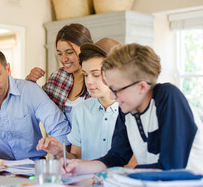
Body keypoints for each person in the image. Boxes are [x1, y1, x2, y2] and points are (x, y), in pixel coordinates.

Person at [63, 43, 203, 175]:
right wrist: (79, 167)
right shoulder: (127, 110)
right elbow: (115, 158)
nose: (113, 96)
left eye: (116, 90)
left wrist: (127, 171)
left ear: (141, 87)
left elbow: (171, 167)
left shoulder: (168, 97)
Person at [0, 48, 71, 161]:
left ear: (8, 69)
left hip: (33, 167)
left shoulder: (30, 90)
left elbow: (60, 128)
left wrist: (56, 148)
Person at [37, 38, 120, 160]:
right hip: (86, 179)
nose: (89, 81)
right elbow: (76, 158)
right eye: (86, 75)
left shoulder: (130, 111)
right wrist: (60, 152)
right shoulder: (82, 110)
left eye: (96, 75)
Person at [26, 23, 93, 123]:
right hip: (58, 139)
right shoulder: (58, 77)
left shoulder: (99, 80)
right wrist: (30, 81)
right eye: (59, 53)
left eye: (69, 52)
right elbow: (34, 105)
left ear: (85, 49)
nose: (64, 59)